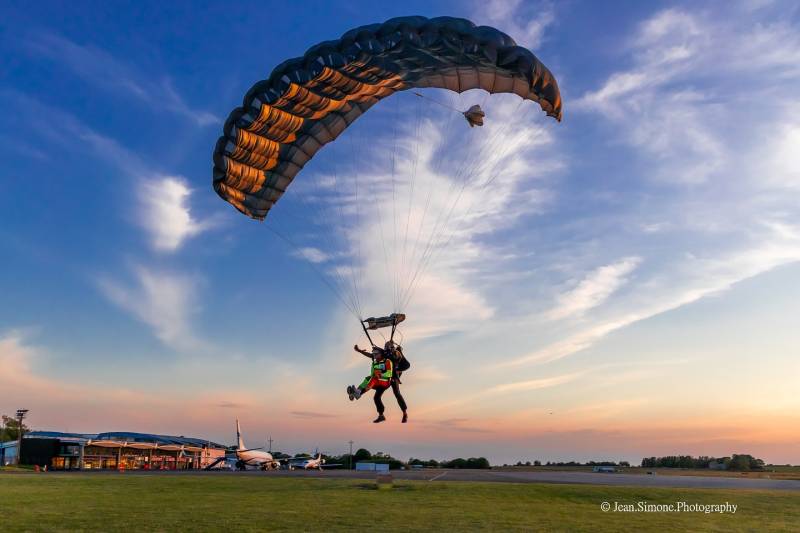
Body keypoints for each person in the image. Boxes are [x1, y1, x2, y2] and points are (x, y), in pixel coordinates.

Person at [347, 346, 394, 423]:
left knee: (374, 377)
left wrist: (380, 374)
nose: (374, 355)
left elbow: (389, 373)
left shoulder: (387, 361)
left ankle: (358, 393)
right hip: (376, 382)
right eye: (373, 354)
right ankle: (381, 415)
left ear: (381, 354)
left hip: (385, 382)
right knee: (375, 395)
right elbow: (372, 374)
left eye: (376, 354)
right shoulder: (374, 363)